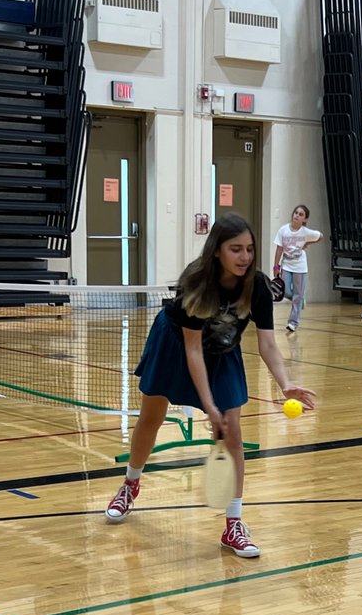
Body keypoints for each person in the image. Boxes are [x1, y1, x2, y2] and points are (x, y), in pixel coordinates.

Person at [105, 213, 316, 557]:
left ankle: (234, 524)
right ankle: (130, 484)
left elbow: (267, 344)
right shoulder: (197, 282)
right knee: (151, 418)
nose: (245, 257)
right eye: (236, 249)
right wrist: (209, 406)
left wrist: (286, 383)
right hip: (175, 344)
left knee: (232, 432)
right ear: (217, 250)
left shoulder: (258, 286)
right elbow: (192, 350)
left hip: (222, 350)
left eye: (249, 249)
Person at [273, 204, 324, 333]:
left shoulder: (306, 232)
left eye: (301, 214)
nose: (297, 215)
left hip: (300, 267)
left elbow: (321, 236)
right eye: (296, 213)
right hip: (286, 265)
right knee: (285, 291)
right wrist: (276, 265)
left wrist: (307, 243)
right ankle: (300, 301)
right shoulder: (283, 230)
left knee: (298, 294)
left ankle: (293, 322)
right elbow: (279, 249)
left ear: (305, 220)